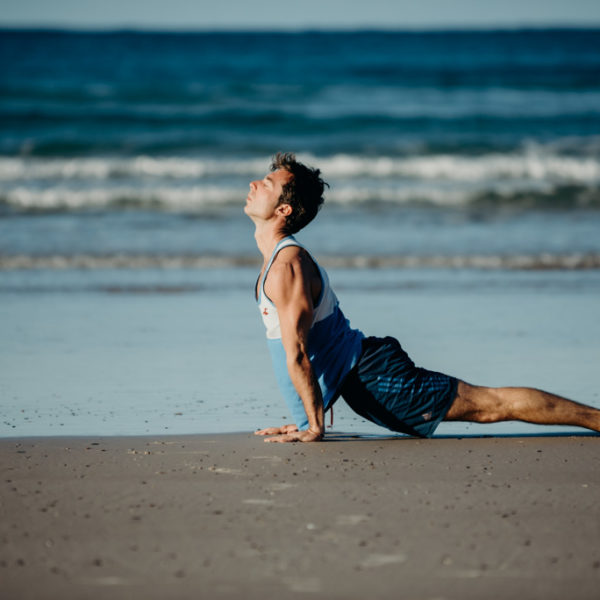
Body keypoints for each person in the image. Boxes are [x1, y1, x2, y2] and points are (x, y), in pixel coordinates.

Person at [245, 152, 600, 443]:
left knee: (488, 404)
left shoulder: (286, 265)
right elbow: (302, 348)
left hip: (375, 379)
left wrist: (314, 426)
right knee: (489, 403)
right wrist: (303, 419)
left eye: (267, 184)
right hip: (365, 378)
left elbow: (299, 352)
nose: (254, 184)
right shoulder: (279, 260)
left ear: (284, 210)